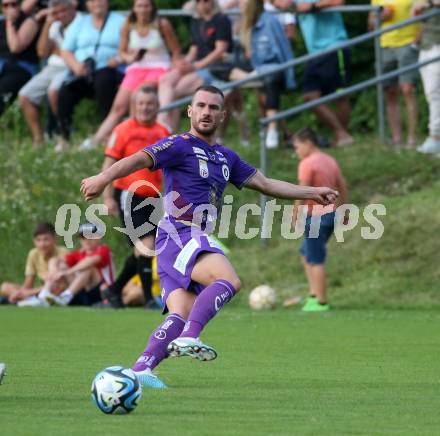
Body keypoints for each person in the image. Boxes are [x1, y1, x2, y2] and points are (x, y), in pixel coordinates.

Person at [80, 85, 338, 388]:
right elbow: (137, 159)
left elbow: (267, 184)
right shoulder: (178, 144)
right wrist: (104, 177)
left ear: (222, 115)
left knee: (181, 312)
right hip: (179, 231)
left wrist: (312, 193)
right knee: (228, 280)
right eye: (200, 105)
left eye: (213, 107)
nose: (206, 112)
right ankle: (191, 336)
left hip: (183, 237)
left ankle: (141, 367)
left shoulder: (226, 157)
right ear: (189, 111)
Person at [101, 86, 169, 309]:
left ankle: (114, 290)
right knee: (147, 245)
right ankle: (149, 298)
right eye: (141, 103)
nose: (145, 108)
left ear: (157, 107)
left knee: (143, 249)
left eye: (150, 104)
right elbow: (109, 163)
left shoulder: (163, 133)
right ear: (133, 106)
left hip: (154, 197)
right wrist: (107, 196)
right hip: (129, 195)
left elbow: (170, 168)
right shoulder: (123, 130)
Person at [81, 0, 180, 149]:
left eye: (146, 6)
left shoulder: (162, 24)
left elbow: (175, 49)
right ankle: (96, 140)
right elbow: (122, 51)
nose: (143, 9)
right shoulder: (128, 24)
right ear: (134, 8)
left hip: (158, 67)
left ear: (152, 7)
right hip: (136, 67)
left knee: (138, 97)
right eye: (140, 6)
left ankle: (138, 137)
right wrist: (129, 58)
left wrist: (175, 66)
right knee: (118, 106)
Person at [278, 0, 353, 146]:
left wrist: (312, 6)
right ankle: (342, 134)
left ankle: (342, 137)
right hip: (314, 54)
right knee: (310, 96)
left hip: (334, 46)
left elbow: (339, 2)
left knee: (339, 96)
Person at [289, 127, 348, 311]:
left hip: (316, 217)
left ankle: (321, 302)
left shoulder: (307, 163)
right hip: (331, 215)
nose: (296, 151)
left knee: (315, 258)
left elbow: (303, 189)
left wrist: (295, 213)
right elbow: (342, 185)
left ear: (308, 143)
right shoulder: (330, 160)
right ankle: (313, 295)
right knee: (305, 253)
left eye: (297, 147)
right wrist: (344, 210)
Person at [56, 0, 124, 150]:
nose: (97, 3)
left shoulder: (120, 21)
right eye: (93, 0)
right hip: (83, 70)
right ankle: (64, 137)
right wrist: (75, 66)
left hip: (109, 69)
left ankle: (107, 134)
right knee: (64, 91)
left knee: (103, 81)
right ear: (87, 4)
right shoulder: (80, 23)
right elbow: (65, 50)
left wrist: (119, 58)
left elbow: (129, 46)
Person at [158, 0, 233, 132]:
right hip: (198, 65)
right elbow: (194, 49)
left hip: (214, 66)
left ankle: (166, 127)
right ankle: (163, 123)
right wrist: (184, 63)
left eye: (205, 1)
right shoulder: (197, 21)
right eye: (198, 1)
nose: (202, 4)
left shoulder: (221, 20)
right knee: (165, 79)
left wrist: (196, 66)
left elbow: (220, 50)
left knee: (175, 93)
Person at [236, 0, 295, 149]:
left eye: (243, 1)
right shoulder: (245, 22)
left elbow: (284, 50)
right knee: (264, 100)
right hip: (256, 69)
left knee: (268, 88)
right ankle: (284, 134)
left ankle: (273, 130)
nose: (239, 4)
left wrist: (290, 77)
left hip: (271, 69)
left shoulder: (270, 22)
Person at [18, 0, 78, 146]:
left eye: (63, 11)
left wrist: (61, 52)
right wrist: (48, 23)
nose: (60, 15)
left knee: (54, 91)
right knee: (26, 95)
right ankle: (38, 138)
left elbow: (74, 53)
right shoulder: (55, 25)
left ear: (72, 9)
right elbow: (42, 52)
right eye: (56, 12)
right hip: (52, 67)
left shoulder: (81, 23)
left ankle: (64, 134)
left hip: (71, 67)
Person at [368, 0, 419, 147]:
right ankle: (397, 138)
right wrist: (380, 17)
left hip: (408, 44)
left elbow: (422, 18)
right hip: (385, 46)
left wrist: (415, 43)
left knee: (407, 89)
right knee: (389, 91)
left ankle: (412, 137)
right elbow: (370, 26)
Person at [38, 223, 115, 306]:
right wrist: (54, 271)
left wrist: (68, 272)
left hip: (103, 292)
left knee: (88, 268)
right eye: (83, 238)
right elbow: (54, 260)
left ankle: (65, 297)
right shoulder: (80, 253)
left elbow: (92, 261)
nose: (87, 241)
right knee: (61, 266)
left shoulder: (103, 249)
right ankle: (44, 294)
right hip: (83, 291)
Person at [0, 222, 68, 304]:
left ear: (54, 239)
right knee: (5, 286)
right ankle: (27, 299)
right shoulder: (33, 254)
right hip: (40, 290)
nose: (42, 244)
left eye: (46, 239)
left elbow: (60, 285)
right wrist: (20, 293)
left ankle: (28, 300)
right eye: (38, 240)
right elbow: (28, 284)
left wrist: (27, 293)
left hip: (57, 289)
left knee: (55, 288)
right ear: (34, 241)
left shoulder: (63, 252)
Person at [0, 0, 42, 116]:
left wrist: (10, 23)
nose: (10, 8)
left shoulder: (30, 22)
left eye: (14, 4)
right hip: (3, 65)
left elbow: (15, 47)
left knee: (3, 92)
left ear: (20, 5)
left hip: (21, 68)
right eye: (6, 5)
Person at [413, 0, 440, 155]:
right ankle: (435, 136)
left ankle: (435, 137)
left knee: (435, 93)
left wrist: (429, 3)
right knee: (431, 94)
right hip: (427, 46)